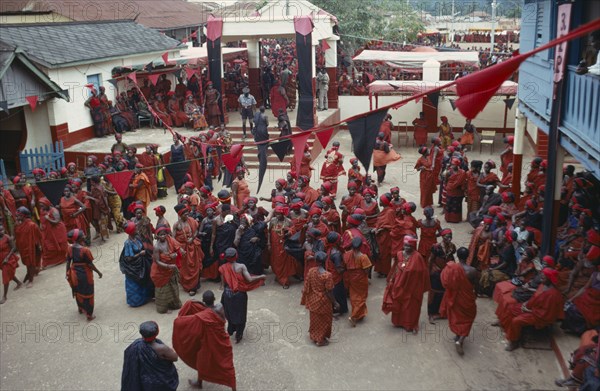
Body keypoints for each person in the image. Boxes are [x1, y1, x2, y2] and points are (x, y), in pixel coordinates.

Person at [173, 291, 237, 390]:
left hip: (208, 342)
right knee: (226, 365)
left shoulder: (201, 315)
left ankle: (200, 382)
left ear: (203, 301)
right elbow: (210, 308)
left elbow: (185, 322)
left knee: (202, 362)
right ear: (214, 299)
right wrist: (199, 303)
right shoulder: (220, 307)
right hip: (221, 340)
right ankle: (232, 388)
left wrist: (193, 302)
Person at [494, 267, 565, 351]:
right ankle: (503, 323)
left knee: (516, 321)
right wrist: (526, 304)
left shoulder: (553, 295)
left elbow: (547, 313)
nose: (541, 278)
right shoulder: (543, 285)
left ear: (549, 278)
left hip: (538, 316)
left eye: (544, 277)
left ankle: (514, 342)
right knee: (510, 308)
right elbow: (535, 298)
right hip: (531, 308)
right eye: (541, 276)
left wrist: (528, 310)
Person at [382, 236, 431, 333]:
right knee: (398, 303)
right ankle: (398, 322)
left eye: (409, 246)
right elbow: (395, 267)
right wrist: (391, 280)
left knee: (410, 307)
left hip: (412, 288)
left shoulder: (418, 257)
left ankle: (410, 325)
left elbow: (423, 273)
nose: (406, 248)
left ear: (413, 246)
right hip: (399, 285)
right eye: (405, 245)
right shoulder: (399, 254)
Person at [219, 248, 266, 343]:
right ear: (236, 256)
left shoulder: (223, 268)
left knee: (230, 312)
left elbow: (222, 285)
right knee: (240, 314)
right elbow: (249, 280)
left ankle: (231, 330)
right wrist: (261, 276)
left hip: (227, 294)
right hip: (239, 294)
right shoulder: (241, 267)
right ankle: (239, 334)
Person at [440, 247, 478, 355]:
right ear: (467, 256)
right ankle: (460, 340)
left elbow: (445, 281)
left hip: (455, 297)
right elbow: (476, 285)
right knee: (469, 317)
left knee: (458, 316)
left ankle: (458, 335)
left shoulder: (452, 268)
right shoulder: (472, 270)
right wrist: (476, 294)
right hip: (467, 297)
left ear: (457, 255)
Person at [121, 320, 179, 391]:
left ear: (141, 334)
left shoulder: (135, 345)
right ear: (157, 332)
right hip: (160, 382)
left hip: (144, 381)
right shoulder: (161, 348)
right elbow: (175, 358)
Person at [301, 251, 339, 346]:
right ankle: (320, 340)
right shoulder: (327, 275)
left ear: (316, 261)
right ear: (325, 261)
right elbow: (329, 291)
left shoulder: (311, 271)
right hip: (324, 302)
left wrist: (306, 297)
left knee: (315, 319)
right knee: (325, 321)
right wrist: (335, 303)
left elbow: (306, 286)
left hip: (313, 300)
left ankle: (314, 336)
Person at [66, 229, 103, 320]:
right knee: (88, 292)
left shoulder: (70, 248)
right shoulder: (85, 250)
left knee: (77, 290)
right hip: (85, 274)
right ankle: (89, 314)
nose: (84, 235)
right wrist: (98, 272)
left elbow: (68, 261)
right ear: (79, 238)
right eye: (82, 234)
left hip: (74, 272)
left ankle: (80, 308)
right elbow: (90, 264)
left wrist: (68, 273)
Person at [119, 222, 154, 307]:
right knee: (135, 283)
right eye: (135, 229)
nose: (137, 230)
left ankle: (146, 297)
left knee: (145, 279)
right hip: (133, 266)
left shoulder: (137, 238)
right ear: (131, 231)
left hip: (141, 263)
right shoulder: (128, 243)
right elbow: (128, 258)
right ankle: (136, 301)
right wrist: (140, 254)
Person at [151, 225, 183, 314]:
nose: (163, 236)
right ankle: (163, 308)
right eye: (161, 235)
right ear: (157, 236)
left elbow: (176, 249)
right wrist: (168, 266)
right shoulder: (157, 247)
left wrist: (176, 254)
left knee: (173, 287)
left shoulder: (169, 240)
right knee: (163, 290)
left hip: (171, 270)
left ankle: (174, 304)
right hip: (161, 271)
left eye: (164, 234)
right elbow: (157, 261)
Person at [173, 204, 203, 296]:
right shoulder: (176, 225)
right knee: (185, 268)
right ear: (180, 215)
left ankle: (194, 287)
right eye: (184, 214)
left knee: (195, 266)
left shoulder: (192, 221)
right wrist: (179, 249)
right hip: (183, 249)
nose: (187, 215)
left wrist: (193, 238)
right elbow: (173, 239)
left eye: (187, 213)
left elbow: (196, 231)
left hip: (193, 247)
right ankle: (187, 285)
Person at [344, 237, 372, 327]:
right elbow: (366, 270)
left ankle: (360, 314)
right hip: (360, 280)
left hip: (351, 279)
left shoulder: (347, 254)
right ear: (360, 247)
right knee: (361, 297)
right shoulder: (363, 257)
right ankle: (354, 316)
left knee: (353, 296)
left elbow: (344, 264)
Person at [14, 207, 42, 287]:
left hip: (31, 247)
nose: (16, 217)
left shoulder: (31, 225)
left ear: (23, 216)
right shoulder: (18, 225)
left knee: (30, 263)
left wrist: (39, 246)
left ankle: (31, 280)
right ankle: (29, 274)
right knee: (27, 263)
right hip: (22, 248)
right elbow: (16, 235)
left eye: (18, 216)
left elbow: (39, 236)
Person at [37, 198, 68, 269]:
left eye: (42, 205)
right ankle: (47, 263)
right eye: (40, 206)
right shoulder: (42, 210)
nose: (41, 207)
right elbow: (41, 219)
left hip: (57, 230)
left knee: (61, 245)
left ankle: (64, 258)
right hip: (47, 231)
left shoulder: (54, 210)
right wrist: (41, 225)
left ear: (47, 204)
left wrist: (48, 219)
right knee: (48, 246)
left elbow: (57, 221)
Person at [0, 225, 23, 304]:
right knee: (8, 273)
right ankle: (19, 283)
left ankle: (4, 296)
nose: (1, 231)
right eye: (0, 230)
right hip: (1, 260)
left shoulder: (7, 237)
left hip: (8, 259)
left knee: (5, 276)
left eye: (2, 230)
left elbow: (14, 248)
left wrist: (7, 258)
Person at [444, 158, 467, 223]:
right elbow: (446, 181)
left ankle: (456, 219)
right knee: (449, 205)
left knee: (457, 206)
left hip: (458, 192)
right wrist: (449, 186)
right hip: (450, 192)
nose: (452, 166)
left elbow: (463, 182)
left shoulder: (462, 173)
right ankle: (448, 218)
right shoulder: (448, 172)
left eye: (454, 165)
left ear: (457, 165)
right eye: (452, 164)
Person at [253, 106, 269, 175]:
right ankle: (265, 153)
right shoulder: (265, 116)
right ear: (264, 110)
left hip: (257, 131)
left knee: (259, 142)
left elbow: (254, 122)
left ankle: (259, 151)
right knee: (265, 142)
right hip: (263, 130)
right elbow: (267, 124)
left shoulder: (256, 115)